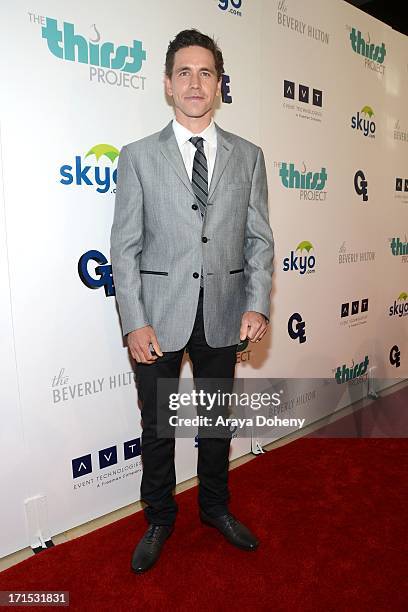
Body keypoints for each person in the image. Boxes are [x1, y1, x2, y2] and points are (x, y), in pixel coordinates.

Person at [110, 29, 274, 573]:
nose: (195, 82)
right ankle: (159, 517)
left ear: (219, 83)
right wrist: (134, 320)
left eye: (206, 72)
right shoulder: (137, 157)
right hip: (158, 317)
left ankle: (215, 508)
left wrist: (257, 304)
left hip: (225, 314)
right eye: (184, 72)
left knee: (216, 425)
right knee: (157, 429)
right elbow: (125, 246)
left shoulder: (248, 157)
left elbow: (259, 240)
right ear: (167, 84)